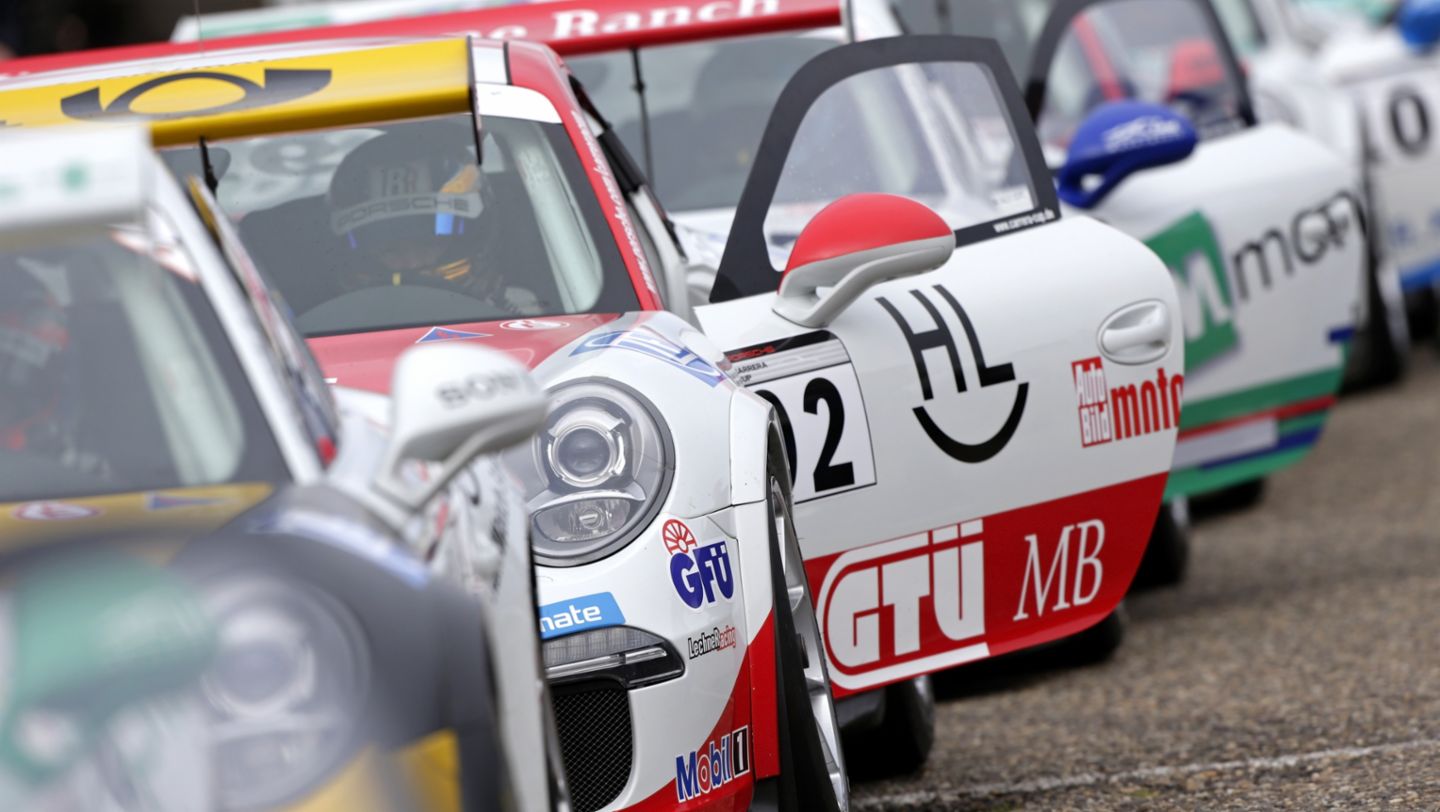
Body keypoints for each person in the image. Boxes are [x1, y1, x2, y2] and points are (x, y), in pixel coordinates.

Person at [325, 129, 540, 314]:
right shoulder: (310, 341)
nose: (413, 263)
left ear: (475, 239)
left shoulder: (525, 318)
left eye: (429, 244)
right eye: (389, 249)